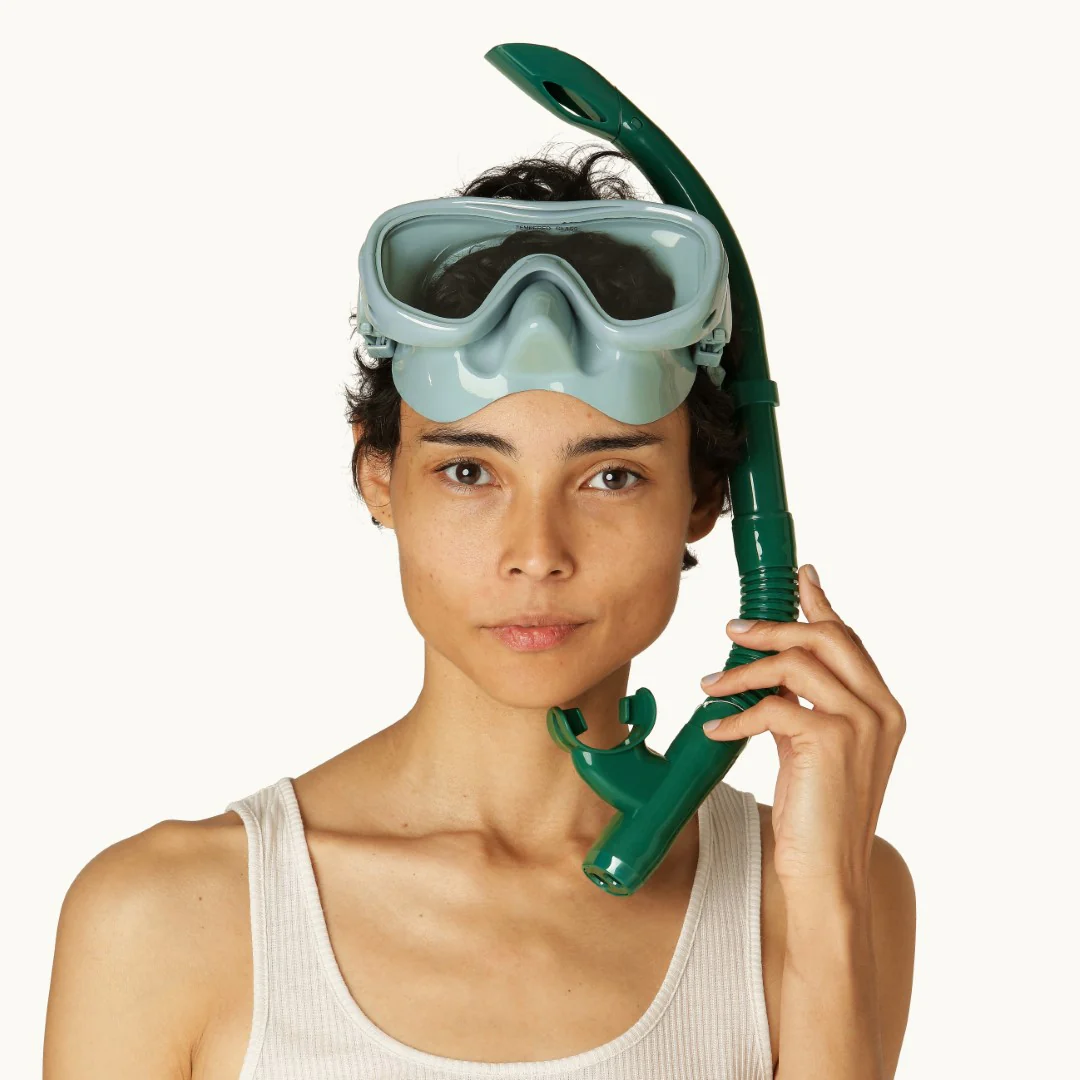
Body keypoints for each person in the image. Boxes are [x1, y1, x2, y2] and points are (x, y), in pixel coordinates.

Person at [43, 145, 916, 1080]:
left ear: (705, 498)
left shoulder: (830, 885)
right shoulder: (164, 916)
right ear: (379, 478)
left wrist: (826, 905)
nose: (536, 552)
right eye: (469, 471)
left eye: (611, 476)